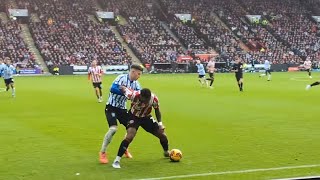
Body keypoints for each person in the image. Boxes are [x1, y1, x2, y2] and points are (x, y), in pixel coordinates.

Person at [112, 87, 169, 169]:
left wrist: (160, 124)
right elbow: (123, 89)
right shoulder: (133, 95)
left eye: (145, 101)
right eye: (142, 100)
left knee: (162, 135)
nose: (143, 103)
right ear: (140, 96)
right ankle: (117, 160)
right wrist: (121, 87)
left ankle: (166, 151)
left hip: (146, 117)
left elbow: (157, 110)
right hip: (133, 116)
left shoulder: (154, 99)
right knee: (130, 136)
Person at [99, 64, 143, 164]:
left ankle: (124, 148)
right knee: (113, 129)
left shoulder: (137, 84)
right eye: (138, 74)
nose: (139, 76)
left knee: (132, 129)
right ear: (133, 72)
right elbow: (113, 88)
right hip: (111, 107)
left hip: (122, 110)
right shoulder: (121, 78)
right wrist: (126, 92)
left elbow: (139, 95)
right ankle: (103, 152)